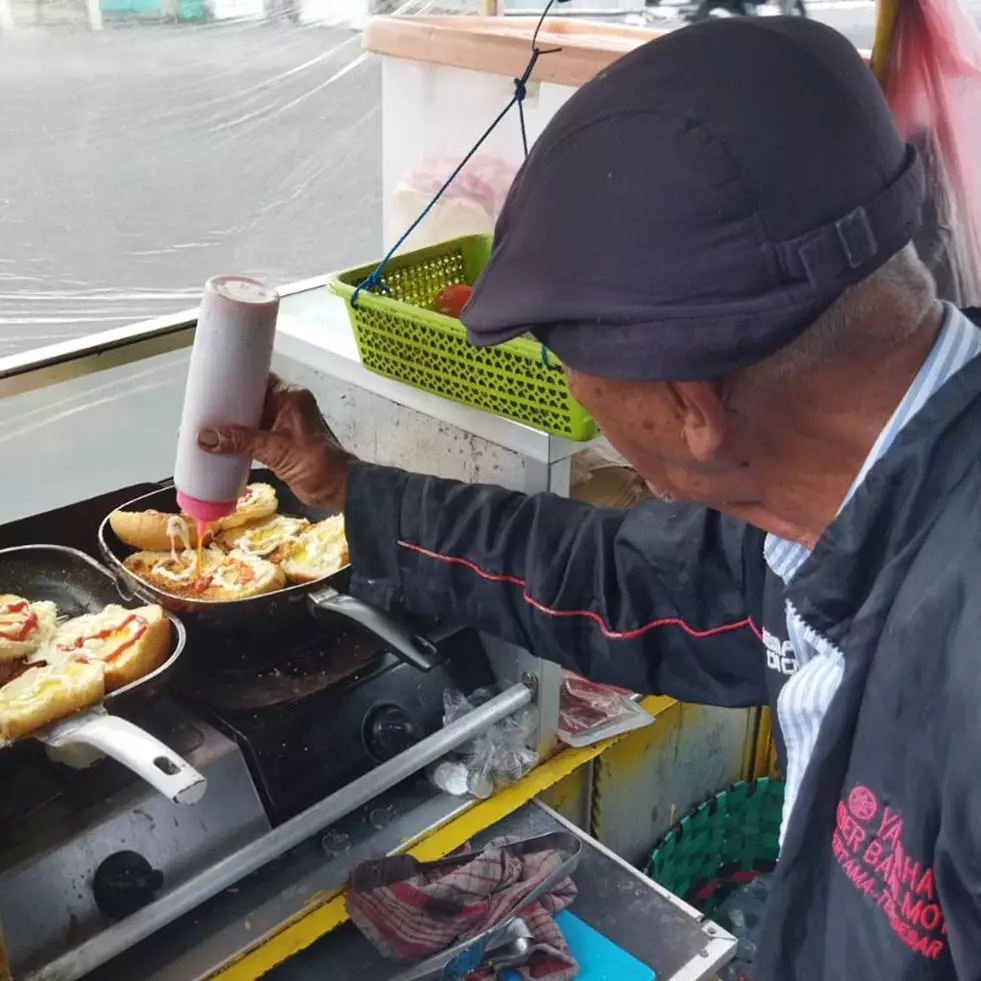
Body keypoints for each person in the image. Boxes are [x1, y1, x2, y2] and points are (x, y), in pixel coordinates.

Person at [197, 18, 981, 980]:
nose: (586, 411)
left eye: (575, 374)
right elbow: (632, 578)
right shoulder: (839, 497)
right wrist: (346, 492)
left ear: (689, 405)